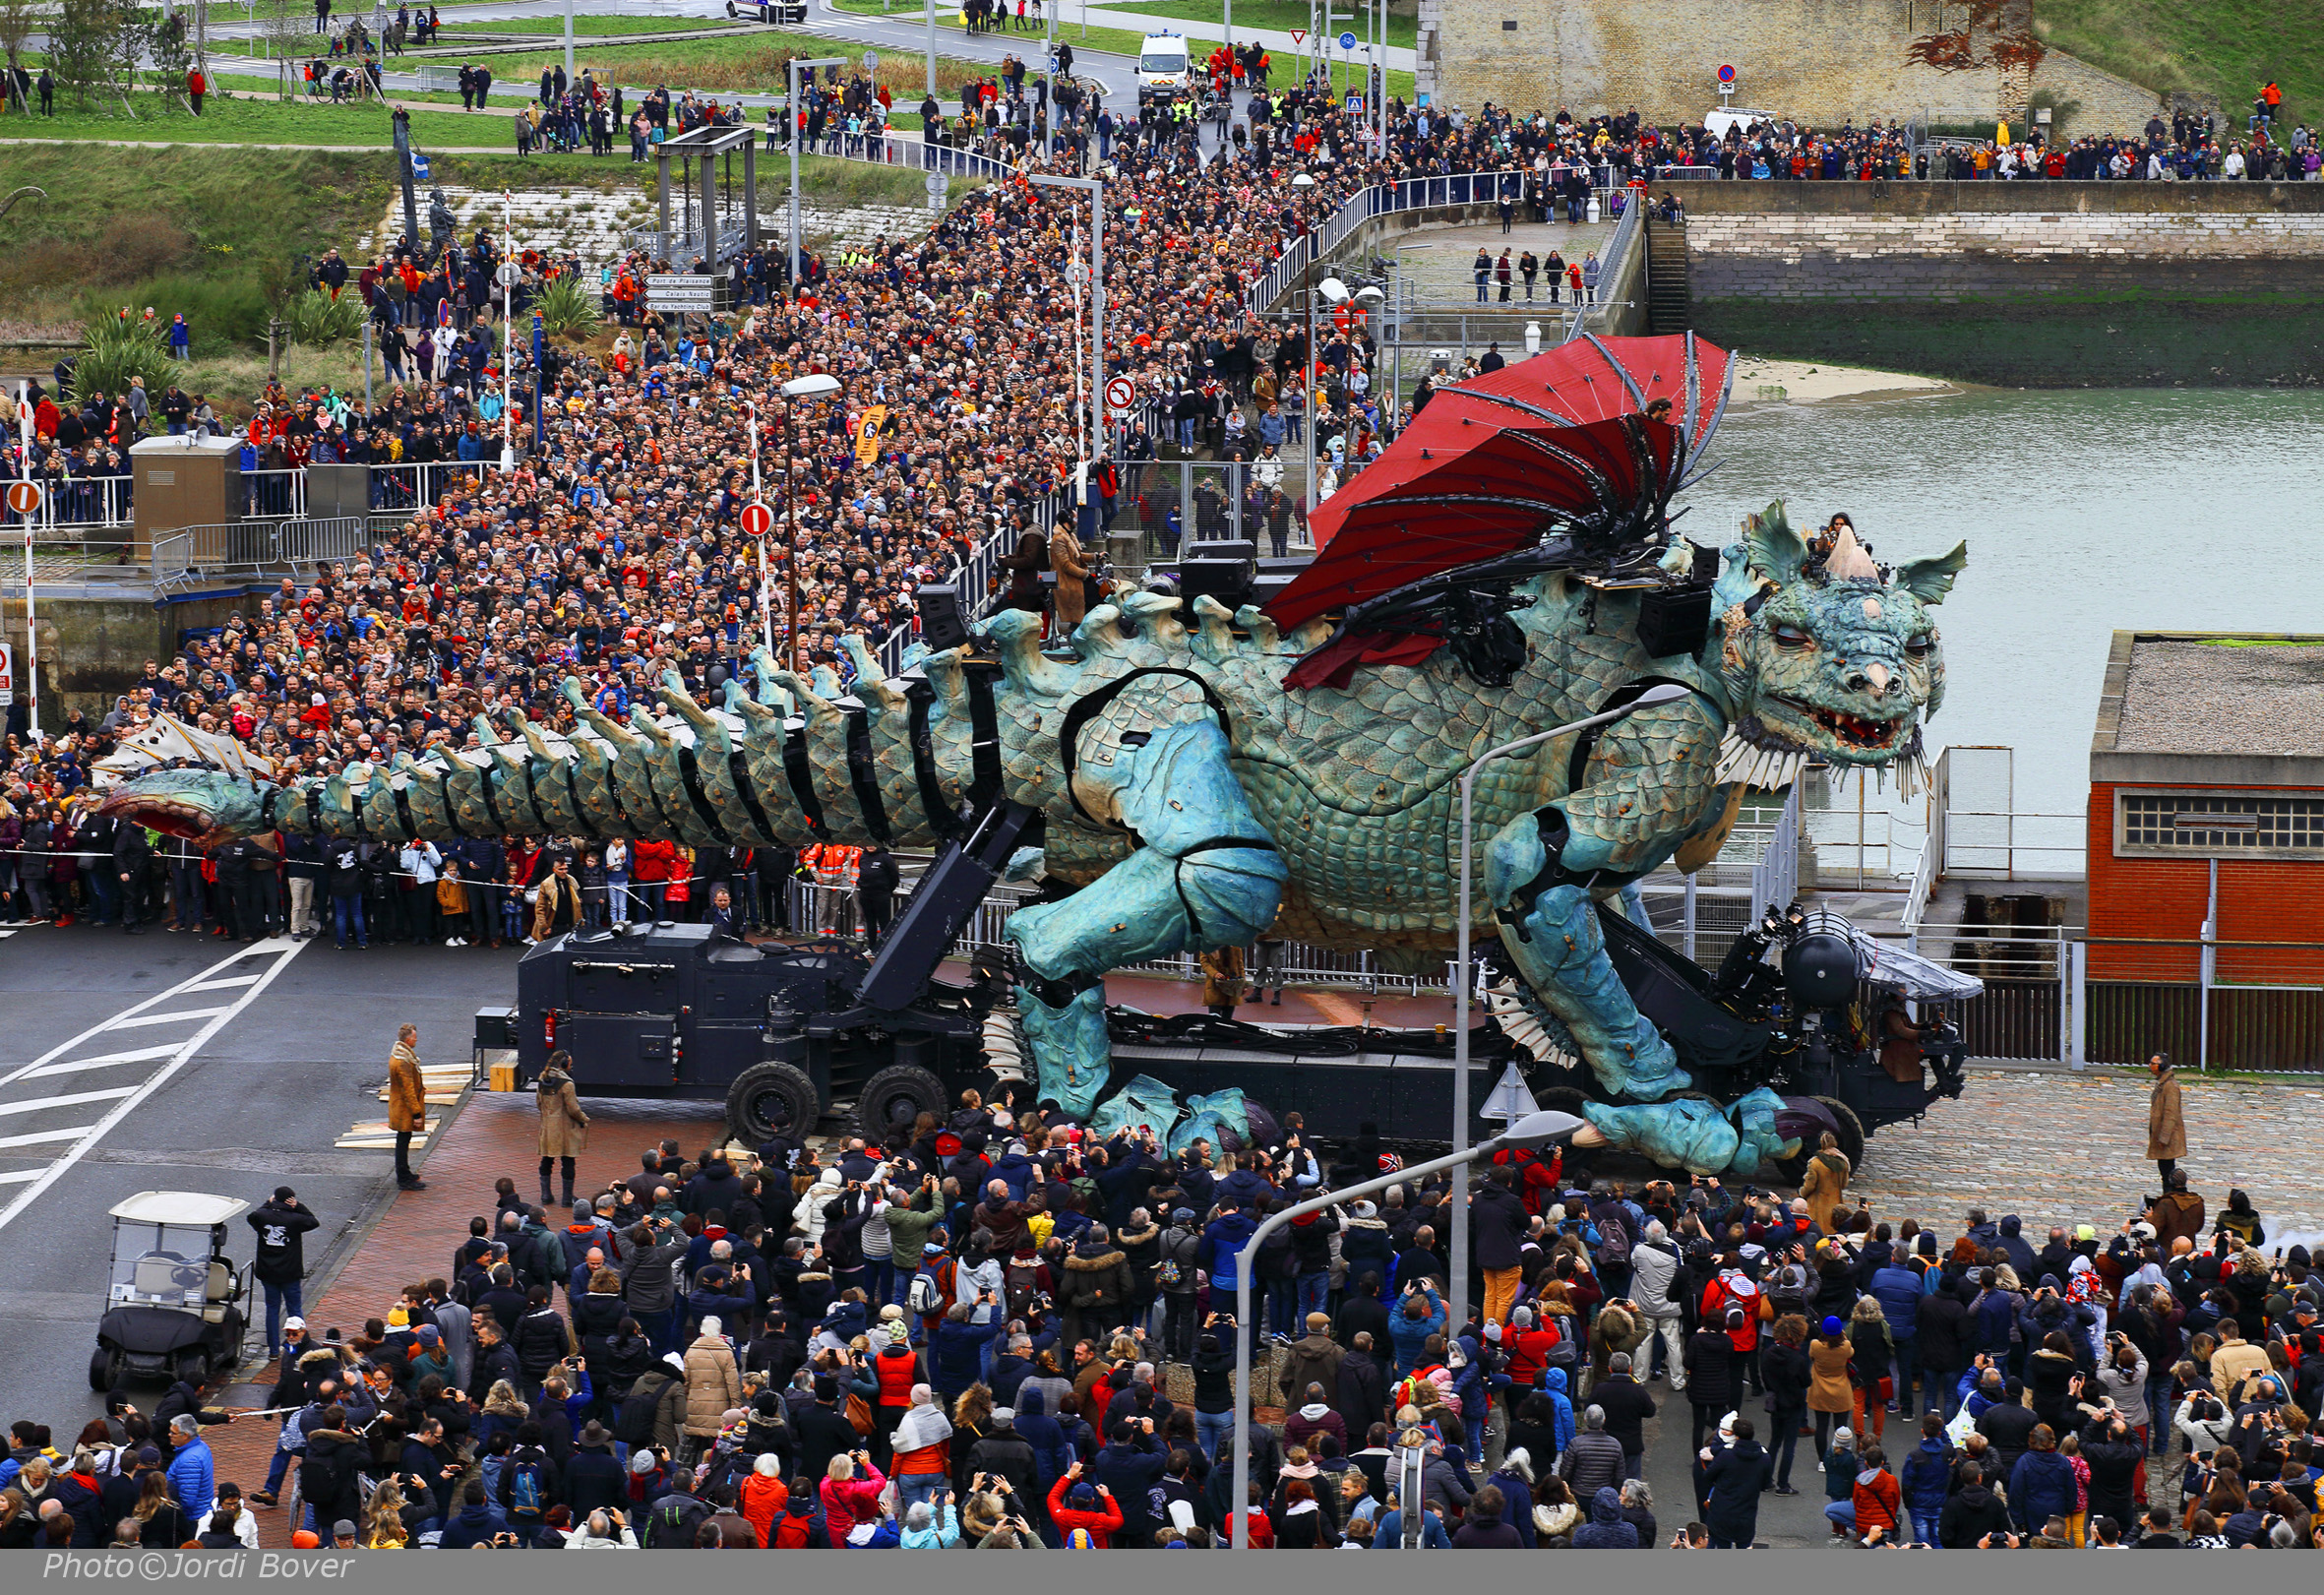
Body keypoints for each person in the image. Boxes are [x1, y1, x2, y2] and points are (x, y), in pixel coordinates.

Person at [246, 1187, 319, 1358]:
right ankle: (297, 1346)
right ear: (290, 1200)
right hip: (290, 1272)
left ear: (275, 1199)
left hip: (268, 1271)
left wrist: (267, 1203)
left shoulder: (262, 1216)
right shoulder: (295, 1219)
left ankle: (273, 1350)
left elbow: (252, 1216)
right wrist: (299, 1206)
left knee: (272, 1309)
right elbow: (313, 1221)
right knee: (294, 1309)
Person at [535, 1048, 589, 1210]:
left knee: (546, 1160)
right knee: (568, 1161)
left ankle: (546, 1196)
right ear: (564, 1064)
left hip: (547, 1127)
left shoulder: (542, 1078)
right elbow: (573, 1109)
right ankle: (567, 1198)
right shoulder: (567, 1084)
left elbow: (539, 1103)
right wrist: (583, 1119)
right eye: (570, 1064)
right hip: (564, 1128)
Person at [387, 1022, 428, 1191]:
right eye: (415, 1038)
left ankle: (405, 1173)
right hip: (404, 1109)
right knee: (403, 1142)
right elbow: (408, 1090)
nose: (416, 1041)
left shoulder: (398, 1055)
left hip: (400, 1106)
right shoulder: (404, 1062)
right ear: (408, 1039)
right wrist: (417, 1114)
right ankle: (403, 1178)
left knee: (403, 1140)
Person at [2147, 1050, 2183, 1190]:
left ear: (2161, 1067)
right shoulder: (2163, 1083)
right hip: (2161, 1138)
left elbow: (2171, 1114)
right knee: (2164, 1172)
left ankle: (2169, 1200)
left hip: (2167, 1140)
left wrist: (2164, 1138)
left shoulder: (2170, 1086)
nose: (2150, 1065)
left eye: (2153, 1063)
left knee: (2168, 1173)